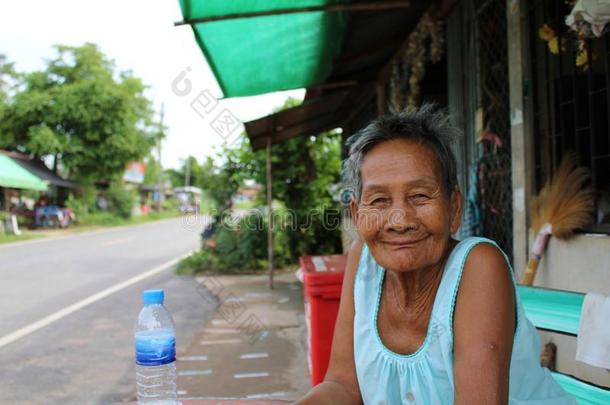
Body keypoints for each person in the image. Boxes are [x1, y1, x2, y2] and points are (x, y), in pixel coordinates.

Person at [294, 105, 575, 404]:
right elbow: (343, 386)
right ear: (357, 213)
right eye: (378, 200)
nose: (400, 220)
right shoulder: (362, 260)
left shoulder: (478, 267)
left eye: (420, 196)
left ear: (454, 206)